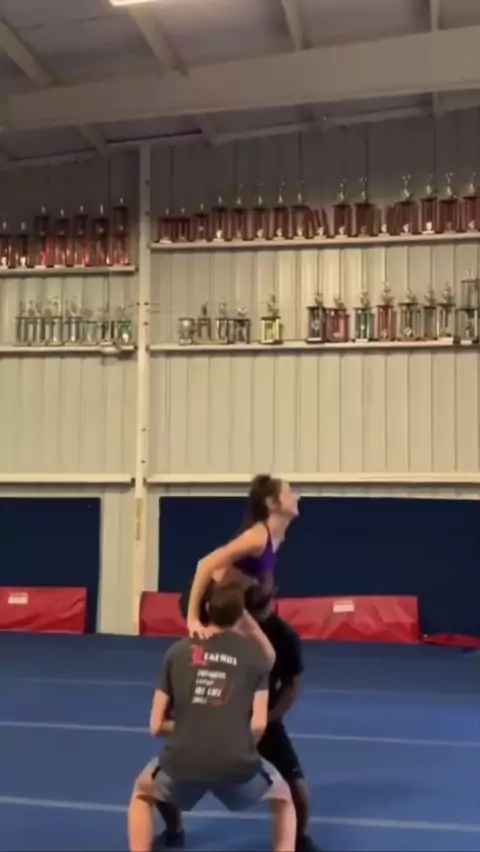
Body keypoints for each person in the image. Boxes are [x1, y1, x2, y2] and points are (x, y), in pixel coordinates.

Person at [128, 584, 297, 852]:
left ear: (205, 609)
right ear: (241, 614)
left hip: (183, 761)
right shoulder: (257, 658)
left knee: (142, 793)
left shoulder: (176, 652)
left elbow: (156, 726)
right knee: (284, 800)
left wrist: (192, 729)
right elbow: (258, 726)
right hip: (236, 762)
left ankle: (163, 835)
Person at [247, 585, 319, 852]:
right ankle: (174, 830)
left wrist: (269, 718)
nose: (256, 613)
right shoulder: (228, 630)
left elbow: (292, 686)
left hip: (266, 720)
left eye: (260, 606)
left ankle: (300, 838)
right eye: (251, 607)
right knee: (168, 776)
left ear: (271, 600)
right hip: (226, 719)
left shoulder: (284, 637)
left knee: (297, 787)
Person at [183, 474, 299, 638]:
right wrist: (193, 620)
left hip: (237, 603)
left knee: (283, 638)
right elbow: (204, 564)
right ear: (272, 503)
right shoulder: (256, 537)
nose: (297, 497)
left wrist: (266, 595)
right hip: (212, 601)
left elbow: (263, 566)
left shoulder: (278, 536)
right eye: (289, 493)